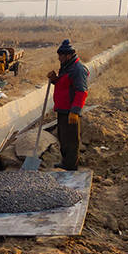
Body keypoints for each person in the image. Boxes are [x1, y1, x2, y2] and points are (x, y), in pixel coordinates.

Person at [47, 39, 89, 171]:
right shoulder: (67, 67)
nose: (59, 58)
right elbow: (65, 85)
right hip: (62, 110)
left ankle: (71, 167)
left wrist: (75, 111)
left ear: (68, 55)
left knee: (71, 141)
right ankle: (66, 162)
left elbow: (81, 92)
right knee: (63, 138)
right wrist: (55, 80)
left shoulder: (77, 69)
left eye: (61, 56)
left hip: (70, 112)